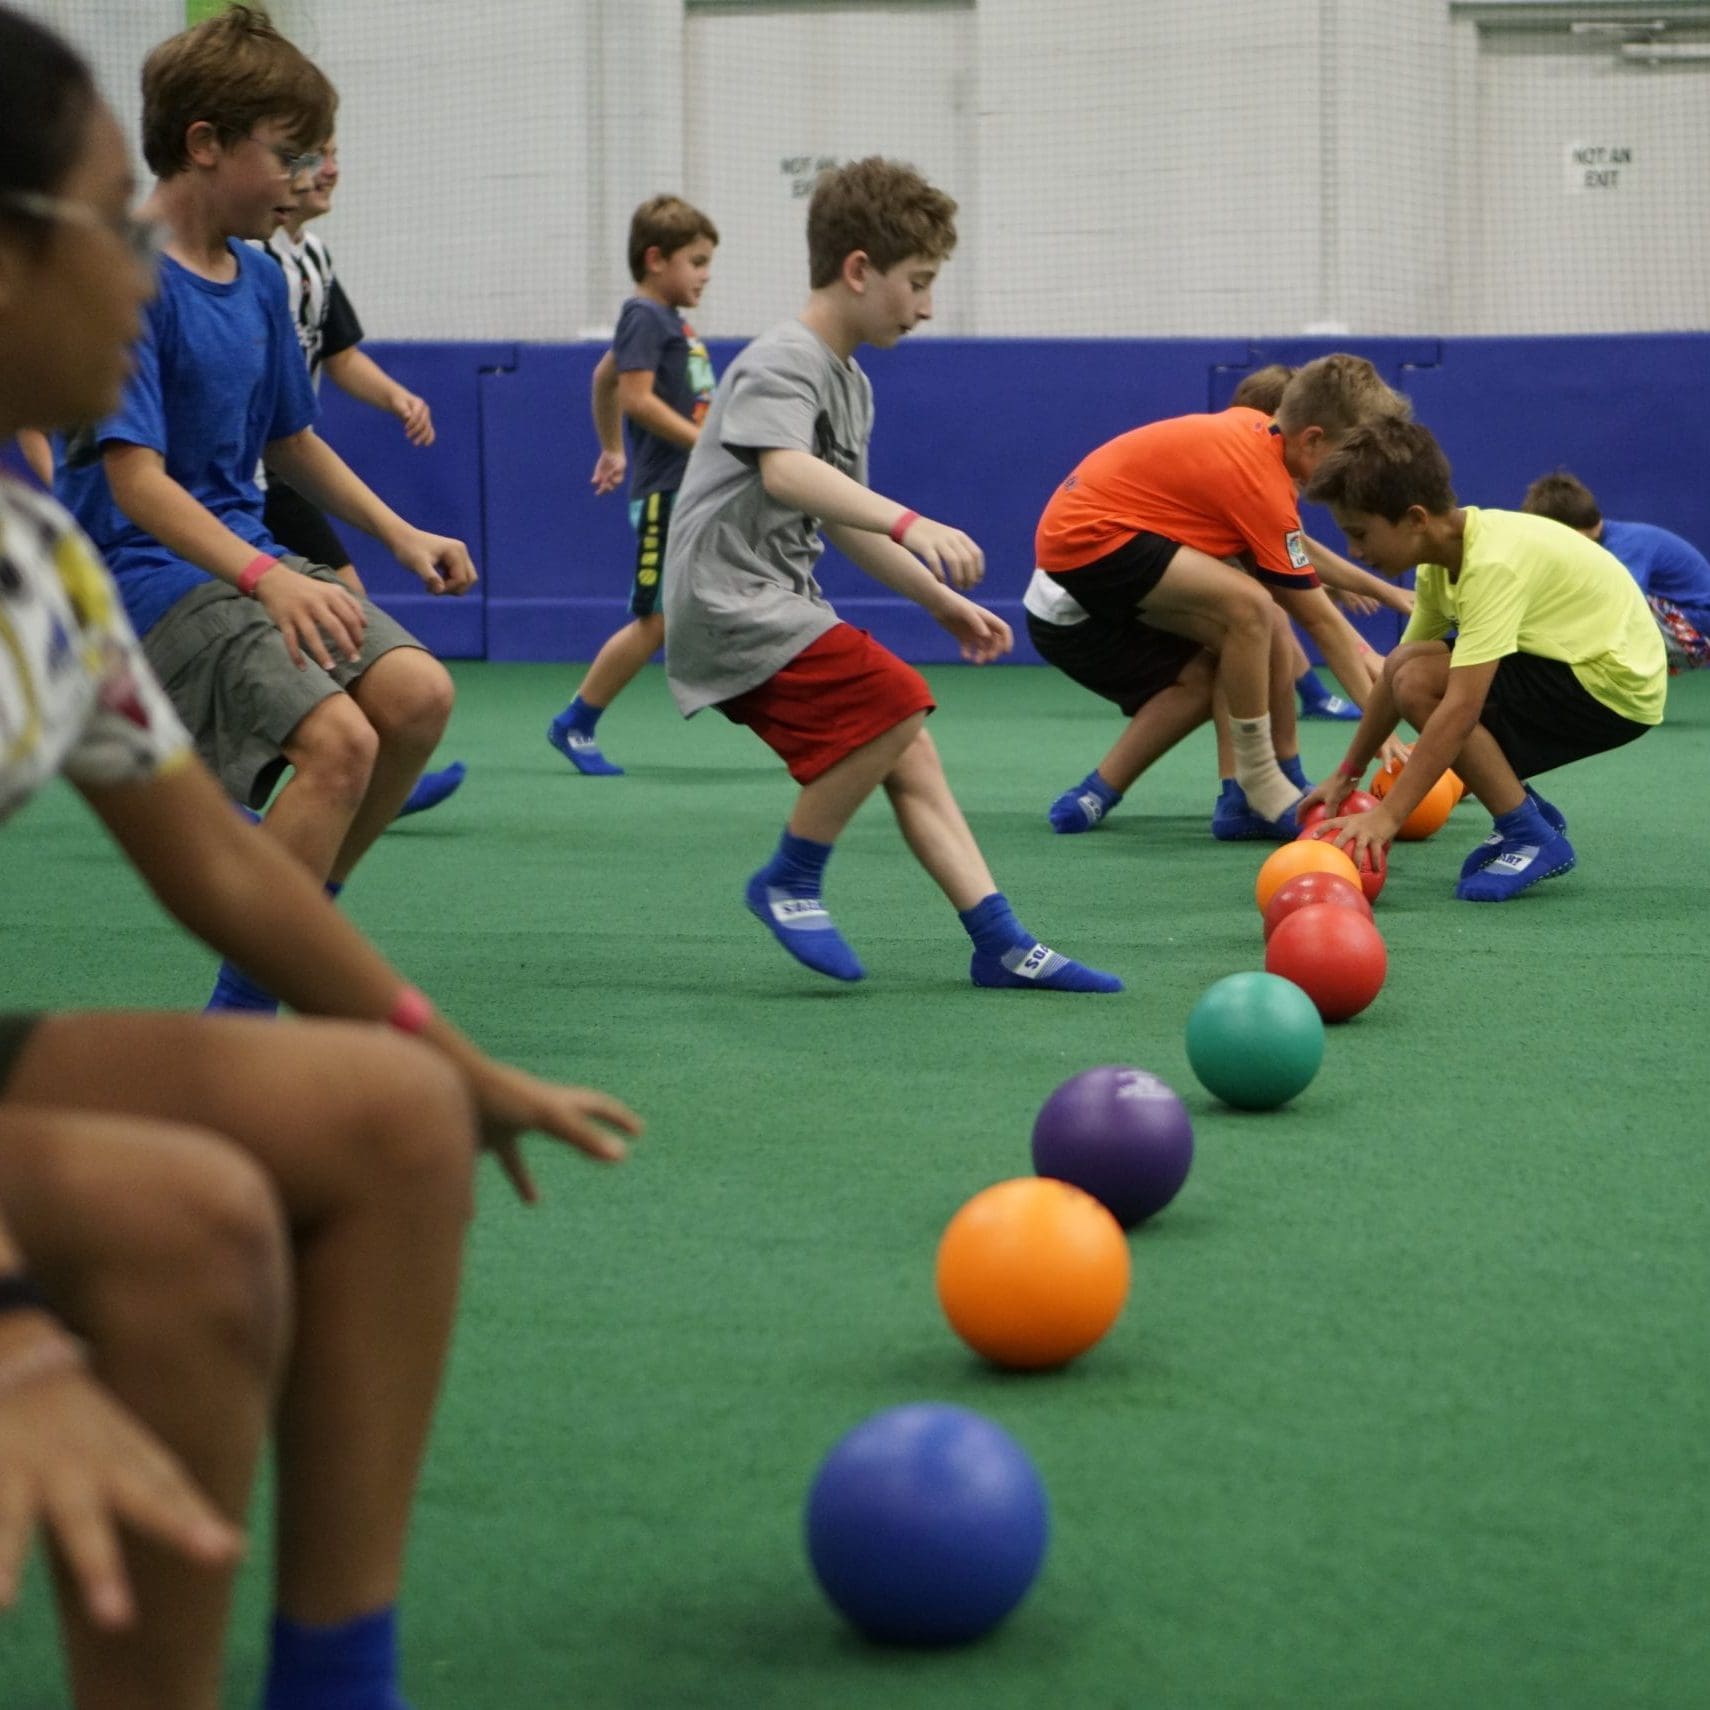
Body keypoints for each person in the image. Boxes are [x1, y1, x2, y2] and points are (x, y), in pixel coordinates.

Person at [0, 14, 640, 1708]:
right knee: (194, 1222)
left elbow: (209, 870)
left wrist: (444, 1053)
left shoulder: (30, 571)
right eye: (97, 229)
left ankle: (336, 1681)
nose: (140, 286)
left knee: (395, 1126)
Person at [52, 4, 477, 1017]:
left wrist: (399, 533)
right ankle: (243, 1016)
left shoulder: (259, 277)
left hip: (242, 555)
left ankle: (296, 932)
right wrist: (270, 576)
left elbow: (291, 442)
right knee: (340, 745)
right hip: (141, 573)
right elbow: (134, 484)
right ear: (203, 145)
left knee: (416, 697)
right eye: (286, 157)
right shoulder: (122, 275)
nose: (304, 182)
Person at [663, 157, 1119, 992]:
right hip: (729, 600)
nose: (928, 306)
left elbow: (842, 517)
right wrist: (914, 520)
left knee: (909, 748)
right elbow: (787, 475)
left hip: (776, 597)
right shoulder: (782, 360)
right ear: (859, 269)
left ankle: (1001, 942)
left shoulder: (851, 383)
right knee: (893, 699)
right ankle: (791, 878)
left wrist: (941, 601)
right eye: (918, 282)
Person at [1031, 356, 1410, 839]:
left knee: (1258, 625)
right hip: (1089, 542)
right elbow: (1318, 618)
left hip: (1092, 541)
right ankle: (1258, 780)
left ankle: (1241, 799)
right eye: (1349, 457)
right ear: (1313, 439)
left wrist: (1374, 639)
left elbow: (1301, 572)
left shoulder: (1258, 437)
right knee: (1251, 606)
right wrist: (1379, 732)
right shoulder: (1259, 475)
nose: (1353, 475)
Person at [1299, 419, 1664, 901]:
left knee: (1424, 684)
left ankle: (1528, 832)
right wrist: (1346, 774)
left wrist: (1387, 817)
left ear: (1415, 518)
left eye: (1361, 534)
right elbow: (1394, 674)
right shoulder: (1440, 559)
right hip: (1570, 665)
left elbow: (1457, 708)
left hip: (1612, 687)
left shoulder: (1492, 564)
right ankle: (1528, 814)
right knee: (1409, 669)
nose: (1353, 551)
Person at [255, 136, 467, 817]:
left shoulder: (312, 258)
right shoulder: (243, 260)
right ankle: (328, 767)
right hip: (250, 474)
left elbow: (341, 355)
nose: (334, 169)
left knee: (347, 611)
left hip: (286, 466)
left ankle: (365, 769)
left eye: (336, 151)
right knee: (335, 613)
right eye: (316, 153)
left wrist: (397, 397)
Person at [548, 195, 719, 775]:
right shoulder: (644, 315)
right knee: (655, 621)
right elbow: (637, 398)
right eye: (696, 262)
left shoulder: (664, 320)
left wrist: (612, 448)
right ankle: (576, 721)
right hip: (666, 493)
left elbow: (604, 378)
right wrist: (709, 446)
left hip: (686, 489)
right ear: (655, 259)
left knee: (700, 609)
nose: (705, 274)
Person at [1229, 363, 1399, 721]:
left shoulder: (1261, 462)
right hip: (1110, 571)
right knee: (1259, 608)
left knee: (1264, 606)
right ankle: (1309, 708)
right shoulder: (1255, 472)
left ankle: (1280, 758)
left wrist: (1356, 588)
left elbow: (1294, 550)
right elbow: (1303, 597)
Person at [1521, 469, 1710, 674]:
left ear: (1569, 531)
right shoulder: (1599, 541)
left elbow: (1624, 607)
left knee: (1605, 604)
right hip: (1677, 618)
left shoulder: (1625, 548)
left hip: (1698, 628)